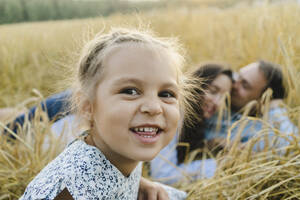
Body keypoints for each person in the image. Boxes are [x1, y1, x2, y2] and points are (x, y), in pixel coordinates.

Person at [19, 28, 199, 199]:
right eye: (130, 91)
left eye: (166, 94)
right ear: (87, 107)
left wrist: (138, 185)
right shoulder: (76, 188)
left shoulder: (119, 150)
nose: (154, 107)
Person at [150, 63, 233, 184]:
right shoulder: (174, 111)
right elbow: (162, 174)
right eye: (213, 91)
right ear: (197, 84)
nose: (217, 102)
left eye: (224, 98)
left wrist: (210, 144)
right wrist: (217, 165)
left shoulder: (196, 118)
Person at [205, 60, 297, 150]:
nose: (233, 85)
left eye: (244, 85)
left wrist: (276, 110)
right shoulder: (216, 90)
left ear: (263, 100)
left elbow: (292, 145)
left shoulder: (260, 131)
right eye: (238, 76)